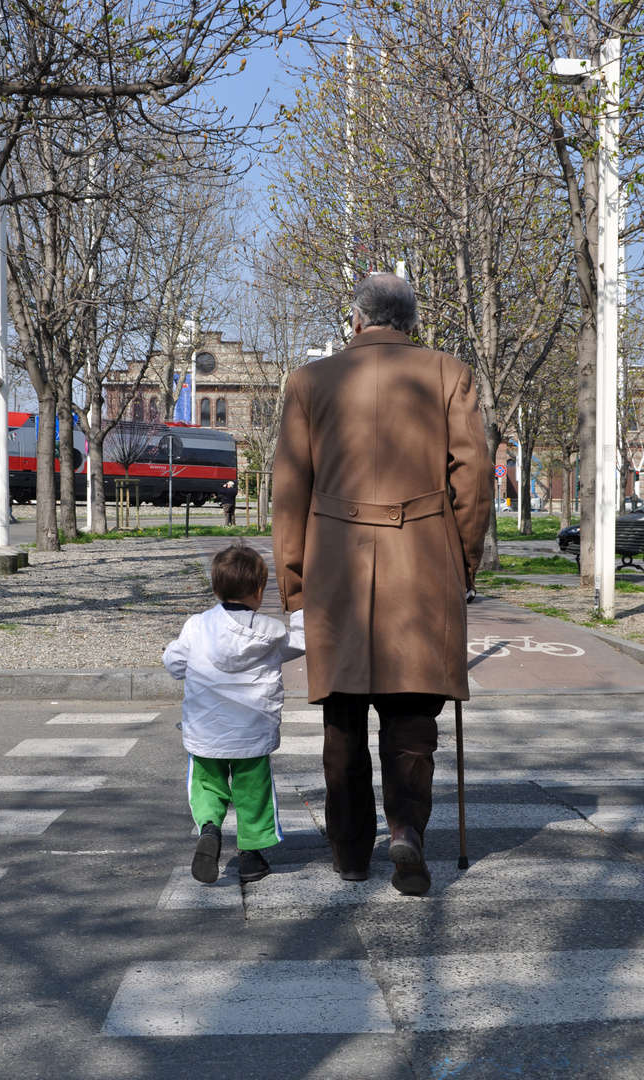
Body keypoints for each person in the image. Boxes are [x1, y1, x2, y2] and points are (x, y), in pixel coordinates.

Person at [271, 273, 493, 895]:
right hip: (421, 565)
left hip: (335, 566)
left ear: (357, 320)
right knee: (412, 716)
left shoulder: (310, 381)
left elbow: (289, 493)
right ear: (412, 322)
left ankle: (349, 852)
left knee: (342, 721)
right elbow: (473, 482)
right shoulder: (450, 373)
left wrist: (293, 584)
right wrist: (463, 562)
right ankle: (406, 833)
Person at [163, 542, 305, 885]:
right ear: (259, 591)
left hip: (205, 731)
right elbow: (303, 640)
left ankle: (209, 828)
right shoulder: (270, 635)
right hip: (252, 732)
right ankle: (251, 857)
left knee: (207, 787)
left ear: (215, 589)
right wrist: (301, 607)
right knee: (253, 792)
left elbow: (174, 663)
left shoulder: (196, 627)